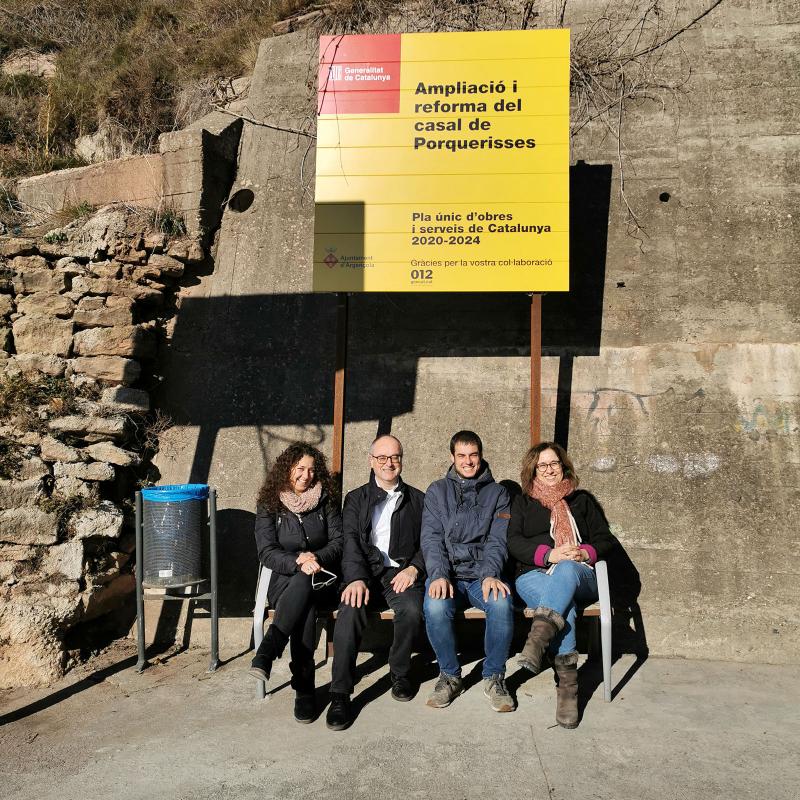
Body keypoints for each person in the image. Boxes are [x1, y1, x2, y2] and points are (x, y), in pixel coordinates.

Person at [507, 441, 619, 729]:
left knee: (567, 571)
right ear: (533, 470)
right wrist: (549, 554)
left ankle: (538, 640)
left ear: (563, 466)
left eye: (554, 464)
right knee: (562, 606)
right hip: (533, 573)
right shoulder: (522, 502)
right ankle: (568, 690)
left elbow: (606, 540)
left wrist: (583, 553)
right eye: (542, 465)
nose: (549, 470)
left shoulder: (582, 500)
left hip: (580, 573)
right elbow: (514, 542)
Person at [326, 434, 426, 730]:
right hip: (365, 573)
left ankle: (400, 673)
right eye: (382, 457)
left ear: (402, 460)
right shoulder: (356, 498)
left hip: (400, 573)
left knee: (411, 610)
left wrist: (414, 569)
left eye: (394, 457)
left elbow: (428, 543)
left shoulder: (418, 499)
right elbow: (351, 542)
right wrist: (355, 579)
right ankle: (340, 693)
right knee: (349, 609)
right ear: (371, 461)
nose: (388, 463)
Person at [421, 430, 515, 712]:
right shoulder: (437, 491)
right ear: (452, 458)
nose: (468, 461)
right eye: (461, 455)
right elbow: (431, 537)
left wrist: (490, 574)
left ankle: (494, 677)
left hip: (480, 576)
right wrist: (437, 574)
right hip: (448, 575)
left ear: (481, 456)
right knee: (435, 607)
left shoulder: (498, 494)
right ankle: (449, 676)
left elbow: (498, 540)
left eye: (473, 455)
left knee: (501, 603)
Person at [251, 442, 343, 723]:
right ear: (287, 469)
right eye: (300, 468)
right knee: (304, 601)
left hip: (324, 580)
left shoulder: (325, 499)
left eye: (312, 470)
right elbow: (266, 552)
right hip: (286, 582)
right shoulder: (270, 503)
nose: (306, 475)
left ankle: (271, 649)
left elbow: (339, 542)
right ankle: (304, 690)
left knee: (307, 597)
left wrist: (315, 556)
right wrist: (298, 561)